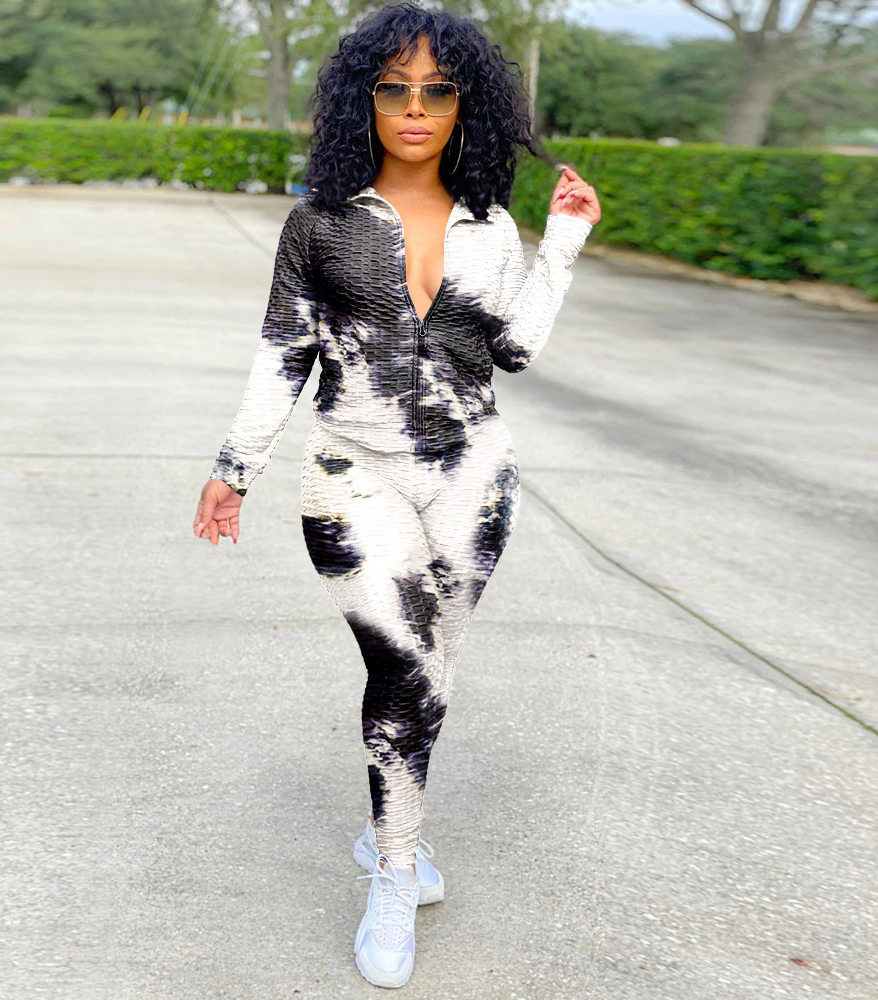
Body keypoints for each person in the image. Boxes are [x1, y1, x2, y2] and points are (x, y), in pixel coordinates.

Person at [193, 2, 601, 988]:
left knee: (433, 674)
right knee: (403, 666)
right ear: (362, 101)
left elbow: (512, 351)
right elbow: (282, 355)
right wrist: (235, 466)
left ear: (466, 105)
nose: (414, 108)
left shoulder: (490, 229)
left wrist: (561, 244)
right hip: (351, 474)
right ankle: (397, 871)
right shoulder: (320, 225)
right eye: (393, 89)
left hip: (473, 477)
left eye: (437, 90)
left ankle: (391, 832)